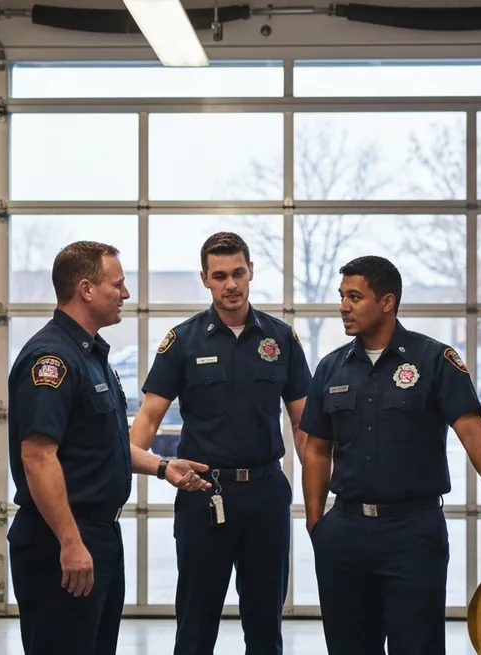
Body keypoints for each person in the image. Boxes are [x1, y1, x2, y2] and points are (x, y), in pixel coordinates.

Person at [300, 255, 481, 655]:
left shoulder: (433, 360)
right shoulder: (331, 368)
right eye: (342, 296)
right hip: (345, 532)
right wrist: (317, 525)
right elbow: (317, 450)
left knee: (417, 647)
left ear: (387, 302)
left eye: (355, 296)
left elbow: (470, 428)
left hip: (412, 534)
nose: (343, 305)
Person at [5, 241, 207, 655]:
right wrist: (70, 541)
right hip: (61, 539)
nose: (126, 294)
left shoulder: (92, 356)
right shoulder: (53, 360)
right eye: (118, 284)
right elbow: (38, 456)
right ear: (86, 289)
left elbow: (104, 446)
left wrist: (162, 465)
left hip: (97, 535)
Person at [130, 232, 312, 655]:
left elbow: (304, 426)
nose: (231, 284)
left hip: (266, 495)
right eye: (220, 276)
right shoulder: (183, 342)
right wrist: (133, 465)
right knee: (195, 624)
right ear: (205, 279)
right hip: (202, 495)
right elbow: (149, 418)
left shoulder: (281, 339)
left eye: (238, 273)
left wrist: (320, 499)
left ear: (250, 272)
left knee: (266, 625)